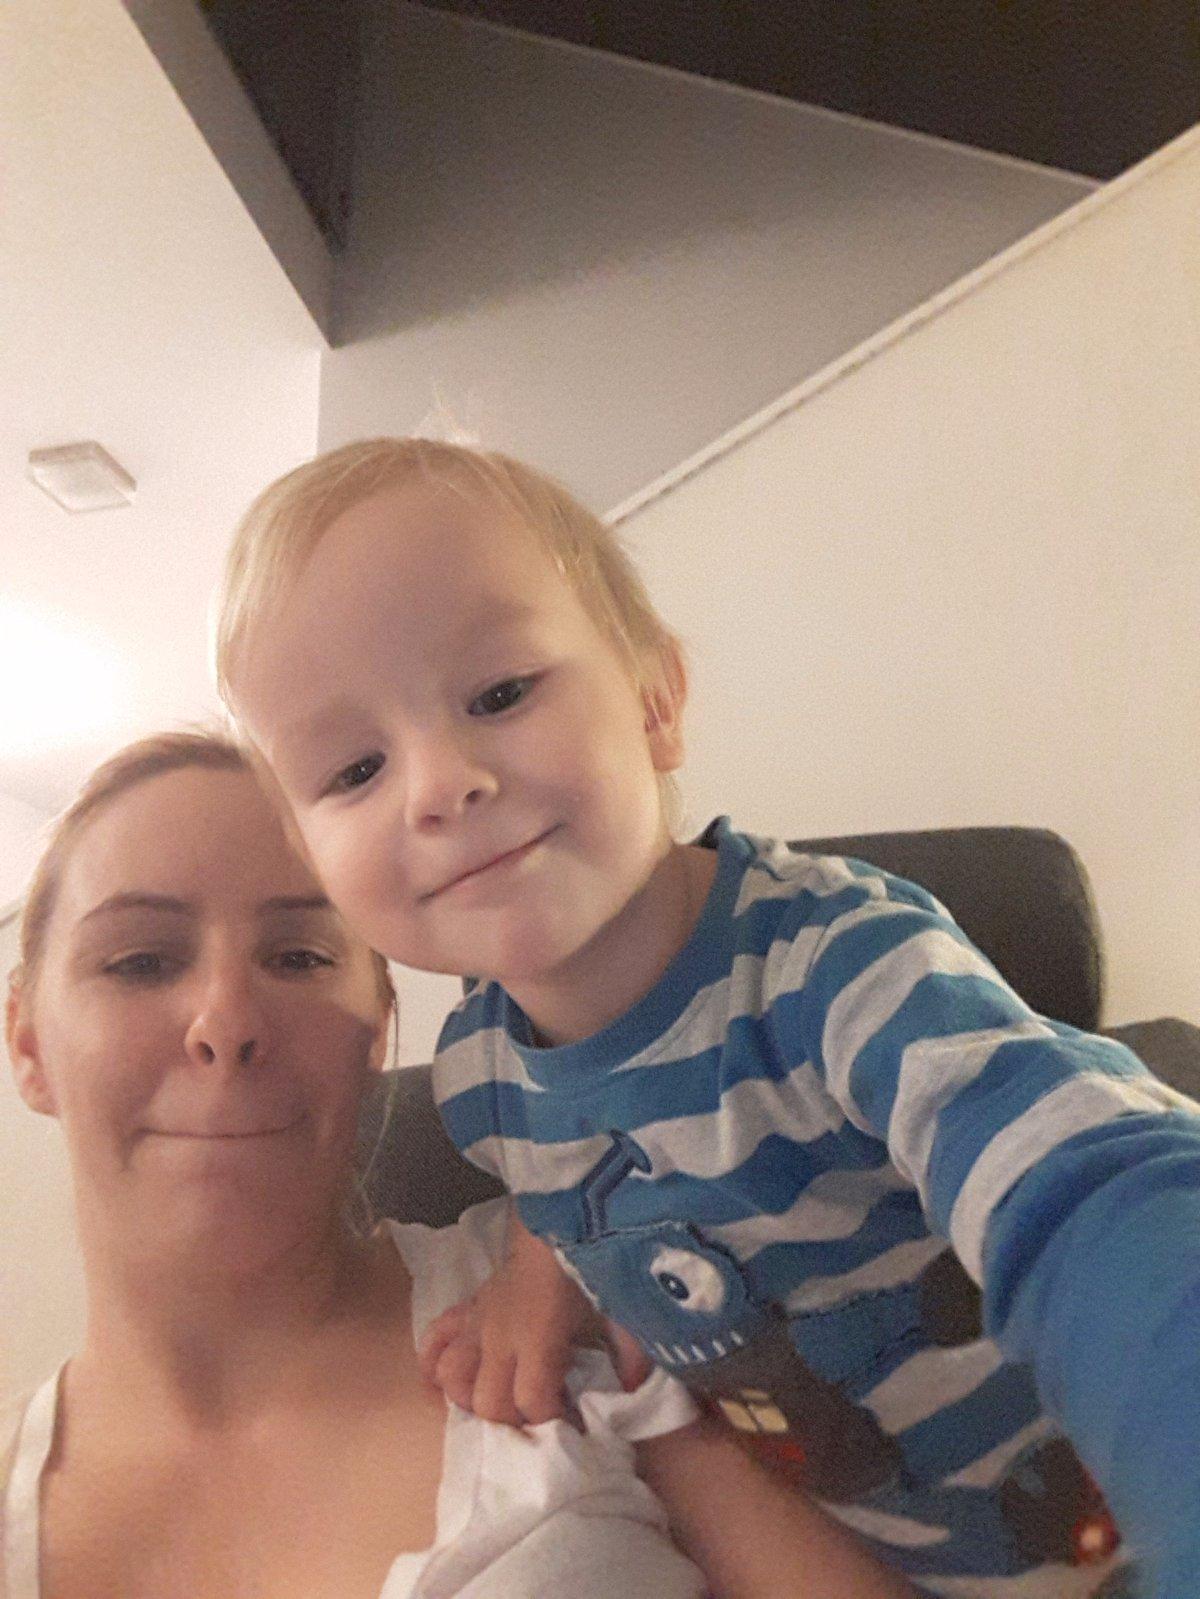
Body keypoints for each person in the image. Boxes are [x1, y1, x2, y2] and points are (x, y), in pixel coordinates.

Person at [217, 438, 1200, 1598]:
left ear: (655, 702)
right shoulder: (482, 1078)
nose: (438, 784)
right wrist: (542, 1271)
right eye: (353, 770)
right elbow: (574, 1166)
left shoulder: (842, 967)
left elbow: (1081, 1187)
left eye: (500, 694)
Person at [1, 729, 925, 1599]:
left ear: (378, 1031)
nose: (227, 1020)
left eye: (299, 955)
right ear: (27, 1041)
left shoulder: (595, 1284)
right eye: (139, 962)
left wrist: (571, 1232)